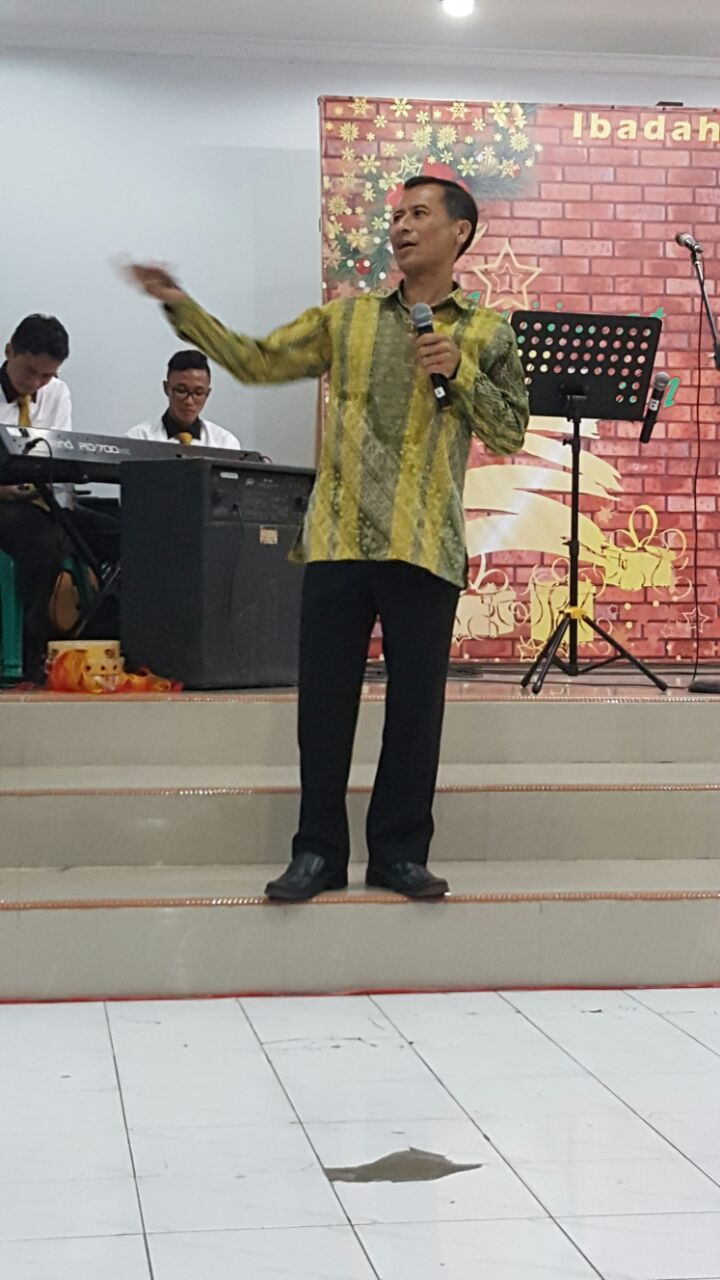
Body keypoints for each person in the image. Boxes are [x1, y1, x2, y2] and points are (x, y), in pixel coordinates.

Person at [126, 175, 529, 901]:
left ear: (459, 233)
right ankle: (316, 852)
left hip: (424, 542)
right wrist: (181, 306)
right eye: (397, 215)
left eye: (419, 214)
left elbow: (509, 432)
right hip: (337, 537)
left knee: (416, 711)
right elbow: (255, 360)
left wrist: (460, 370)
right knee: (323, 707)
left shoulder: (487, 333)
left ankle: (399, 854)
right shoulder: (346, 321)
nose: (401, 226)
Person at [0, 314, 82, 674]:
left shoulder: (57, 392)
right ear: (9, 351)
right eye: (29, 371)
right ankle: (32, 649)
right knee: (43, 541)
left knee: (115, 534)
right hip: (5, 502)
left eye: (46, 376)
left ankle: (92, 640)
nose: (35, 383)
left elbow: (58, 456)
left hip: (40, 500)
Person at [128, 349, 241, 449]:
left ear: (208, 393)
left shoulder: (224, 443)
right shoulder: (138, 439)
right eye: (181, 391)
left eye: (198, 393)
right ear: (166, 388)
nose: (189, 401)